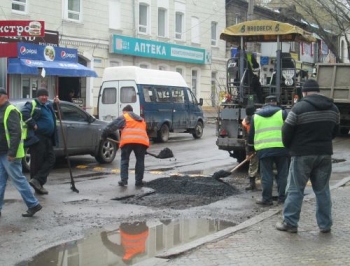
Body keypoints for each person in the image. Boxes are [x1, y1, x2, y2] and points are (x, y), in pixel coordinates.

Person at [276, 79, 340, 233]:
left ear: (304, 92)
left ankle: (290, 223)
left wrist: (291, 148)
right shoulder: (333, 108)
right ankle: (325, 225)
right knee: (322, 190)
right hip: (324, 154)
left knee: (295, 189)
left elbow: (286, 133)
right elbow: (335, 132)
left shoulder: (299, 108)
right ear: (318, 91)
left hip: (302, 155)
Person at [0, 88, 42, 217]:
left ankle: (33, 204)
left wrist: (12, 153)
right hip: (2, 152)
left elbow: (15, 133)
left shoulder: (10, 110)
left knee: (18, 179)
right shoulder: (2, 110)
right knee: (0, 182)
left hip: (9, 153)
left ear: (3, 97)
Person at [248, 95, 289, 206]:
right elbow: (290, 130)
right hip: (282, 148)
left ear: (264, 103)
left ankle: (267, 199)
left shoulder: (255, 116)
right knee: (282, 174)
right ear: (276, 102)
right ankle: (282, 198)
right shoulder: (283, 113)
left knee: (266, 175)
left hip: (264, 149)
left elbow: (251, 135)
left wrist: (250, 150)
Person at [21, 88, 59, 195]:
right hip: (38, 137)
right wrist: (33, 124)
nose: (44, 97)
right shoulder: (33, 104)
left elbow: (53, 109)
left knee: (51, 159)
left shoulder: (47, 105)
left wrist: (56, 104)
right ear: (38, 96)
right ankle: (38, 184)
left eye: (46, 95)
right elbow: (24, 113)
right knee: (37, 162)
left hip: (48, 138)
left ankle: (37, 180)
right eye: (42, 95)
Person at [101, 105, 150, 187]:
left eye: (123, 112)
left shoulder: (125, 117)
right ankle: (139, 181)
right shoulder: (141, 120)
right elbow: (143, 132)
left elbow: (111, 126)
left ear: (125, 111)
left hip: (128, 142)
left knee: (124, 160)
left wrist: (104, 135)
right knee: (140, 161)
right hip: (141, 142)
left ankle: (124, 181)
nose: (122, 113)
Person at [242, 105, 259, 191]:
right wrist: (248, 152)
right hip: (253, 144)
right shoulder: (245, 122)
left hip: (263, 144)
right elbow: (246, 139)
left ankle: (269, 184)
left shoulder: (259, 120)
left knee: (266, 164)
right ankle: (252, 184)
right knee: (253, 163)